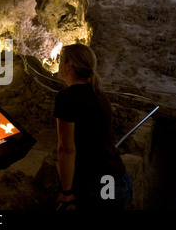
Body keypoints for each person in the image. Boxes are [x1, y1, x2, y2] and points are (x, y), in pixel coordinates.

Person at [53, 44, 133, 210]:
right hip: (118, 178)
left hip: (103, 185)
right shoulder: (98, 93)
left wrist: (66, 192)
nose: (58, 64)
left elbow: (66, 149)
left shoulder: (66, 98)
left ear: (69, 65)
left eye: (61, 61)